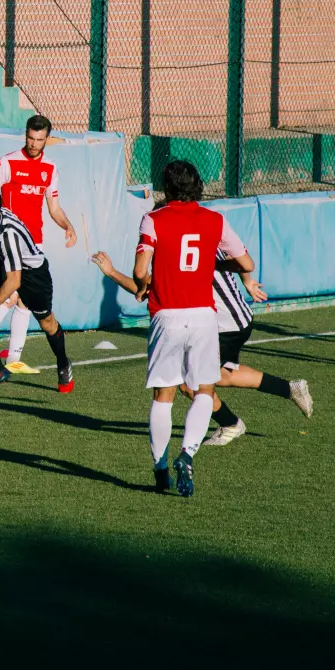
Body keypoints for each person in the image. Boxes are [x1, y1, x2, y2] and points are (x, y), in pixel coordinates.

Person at [92, 249, 312, 445]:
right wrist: (247, 279)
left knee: (190, 383)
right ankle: (289, 388)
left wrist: (111, 272)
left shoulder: (175, 249)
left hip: (223, 324)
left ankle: (231, 424)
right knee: (222, 375)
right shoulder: (205, 226)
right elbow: (240, 252)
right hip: (231, 319)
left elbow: (149, 290)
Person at [132, 159, 253, 497]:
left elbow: (141, 270)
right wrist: (213, 262)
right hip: (203, 316)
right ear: (197, 185)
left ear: (167, 188)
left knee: (164, 395)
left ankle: (159, 468)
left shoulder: (153, 219)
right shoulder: (216, 220)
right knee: (204, 391)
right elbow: (247, 263)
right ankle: (187, 454)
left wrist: (144, 282)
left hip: (166, 315)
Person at [0, 115, 76, 376]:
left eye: (39, 140)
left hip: (32, 244)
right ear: (25, 135)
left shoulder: (50, 169)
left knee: (22, 302)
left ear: (46, 139)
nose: (34, 144)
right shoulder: (8, 162)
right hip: (7, 242)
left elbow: (54, 207)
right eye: (30, 138)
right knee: (9, 295)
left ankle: (12, 358)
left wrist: (68, 226)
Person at [0, 187, 73, 395]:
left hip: (33, 275)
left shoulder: (9, 235)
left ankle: (63, 364)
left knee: (47, 323)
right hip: (6, 263)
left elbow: (14, 281)